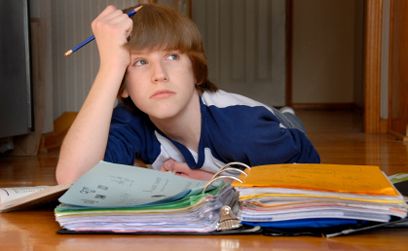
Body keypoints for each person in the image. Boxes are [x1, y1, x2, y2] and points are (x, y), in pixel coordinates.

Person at [56, 3, 320, 184]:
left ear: (195, 70)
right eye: (139, 62)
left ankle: (285, 112)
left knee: (282, 123)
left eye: (171, 56)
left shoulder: (242, 130)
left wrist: (216, 181)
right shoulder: (131, 121)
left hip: (277, 125)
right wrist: (110, 66)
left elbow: (309, 176)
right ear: (123, 85)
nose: (159, 74)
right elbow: (73, 179)